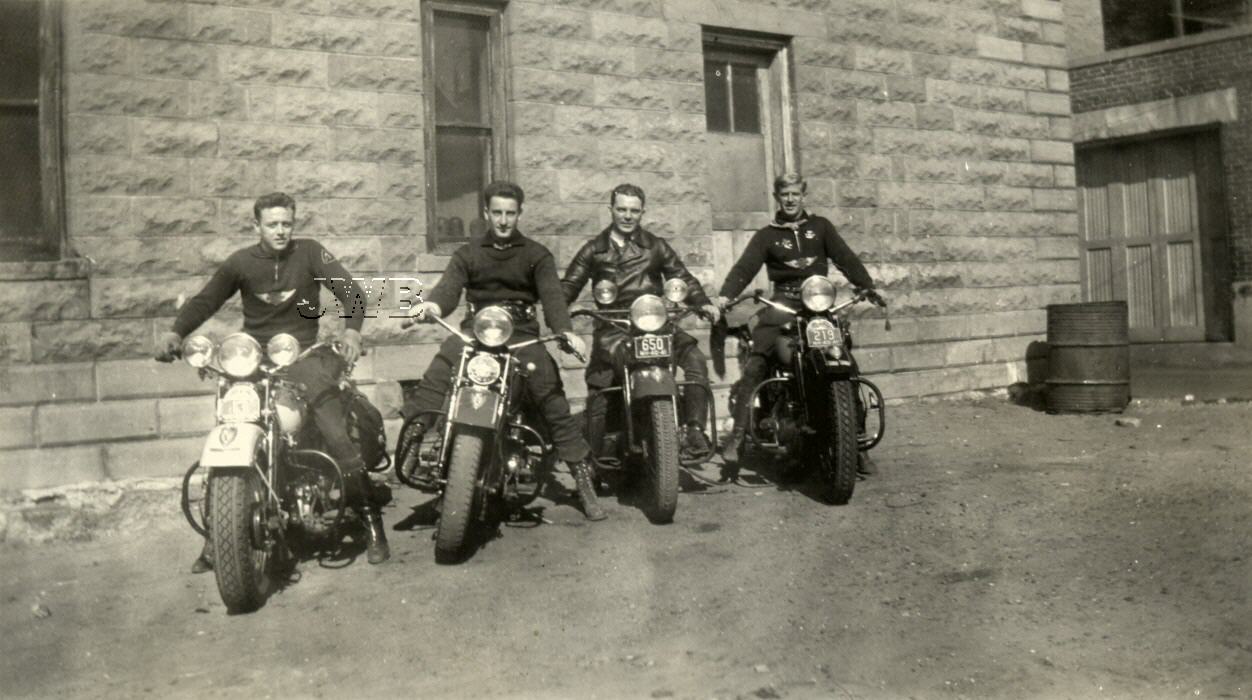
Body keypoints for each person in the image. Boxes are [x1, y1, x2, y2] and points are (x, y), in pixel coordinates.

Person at [155, 192, 390, 571]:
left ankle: (370, 519)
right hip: (254, 359)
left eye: (287, 223)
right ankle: (219, 536)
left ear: (293, 224)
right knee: (230, 424)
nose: (281, 231)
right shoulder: (241, 262)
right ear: (257, 226)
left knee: (332, 424)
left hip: (305, 355)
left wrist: (352, 334)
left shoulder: (310, 253)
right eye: (272, 224)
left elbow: (353, 294)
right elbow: (205, 301)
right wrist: (175, 332)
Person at [395, 181, 606, 521]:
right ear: (486, 213)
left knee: (550, 393)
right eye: (497, 213)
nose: (504, 220)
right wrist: (430, 306)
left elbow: (552, 297)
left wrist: (566, 332)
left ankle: (581, 478)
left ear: (520, 214)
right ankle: (412, 444)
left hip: (520, 334)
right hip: (476, 332)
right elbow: (448, 290)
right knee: (439, 369)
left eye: (510, 213)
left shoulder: (536, 254)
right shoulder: (469, 253)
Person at [715, 172, 883, 469]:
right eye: (784, 194)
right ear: (777, 197)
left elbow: (846, 257)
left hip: (818, 305)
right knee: (757, 360)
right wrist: (726, 295)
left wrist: (866, 285)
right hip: (783, 303)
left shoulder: (820, 227)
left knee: (845, 362)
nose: (790, 199)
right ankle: (738, 437)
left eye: (795, 193)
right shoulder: (767, 235)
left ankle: (855, 441)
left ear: (803, 195)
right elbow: (745, 267)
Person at [560, 183, 721, 460]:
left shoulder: (655, 245)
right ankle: (594, 460)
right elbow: (568, 286)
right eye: (621, 209)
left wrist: (702, 302)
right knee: (600, 387)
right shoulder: (594, 249)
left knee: (695, 359)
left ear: (642, 212)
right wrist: (563, 313)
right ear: (610, 210)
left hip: (655, 323)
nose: (627, 216)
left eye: (634, 210)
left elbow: (681, 277)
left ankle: (694, 429)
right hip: (615, 328)